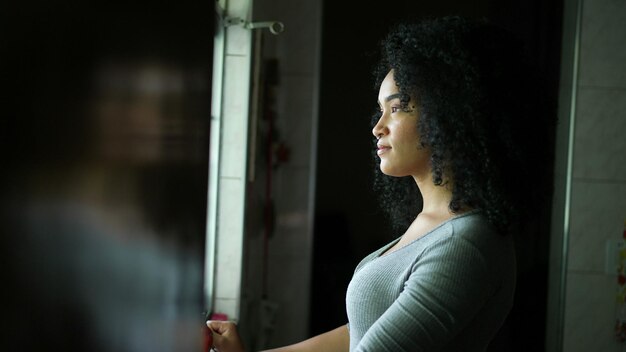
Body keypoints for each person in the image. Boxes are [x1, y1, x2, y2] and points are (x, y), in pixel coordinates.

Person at [208, 15, 544, 352]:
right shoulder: (439, 225)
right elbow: (360, 333)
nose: (377, 127)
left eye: (397, 108)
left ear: (451, 114)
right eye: (380, 110)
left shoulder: (466, 243)